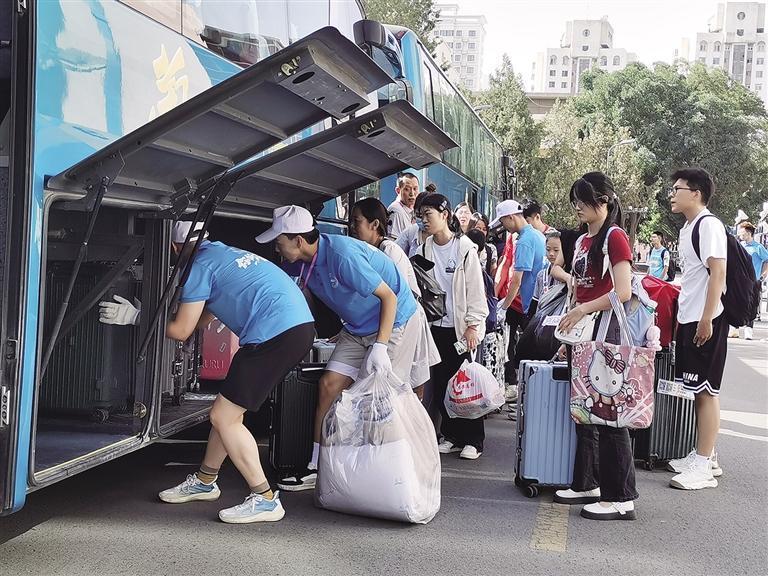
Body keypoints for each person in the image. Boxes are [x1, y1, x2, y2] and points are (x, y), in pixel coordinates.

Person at [99, 221, 315, 524]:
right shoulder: (219, 254)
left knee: (223, 417)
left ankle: (265, 498)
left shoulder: (198, 267)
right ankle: (205, 480)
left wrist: (136, 317)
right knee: (226, 413)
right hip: (292, 328)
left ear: (174, 247)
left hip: (275, 334)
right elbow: (201, 320)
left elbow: (180, 329)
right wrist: (150, 315)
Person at [257, 205, 422, 492]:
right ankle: (316, 465)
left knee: (380, 400)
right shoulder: (298, 260)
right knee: (329, 385)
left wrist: (381, 346)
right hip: (356, 328)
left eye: (279, 241)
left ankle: (388, 472)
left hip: (395, 322)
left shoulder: (342, 256)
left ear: (298, 240)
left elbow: (389, 298)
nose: (276, 248)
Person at [553, 172, 639, 521]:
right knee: (585, 411)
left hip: (605, 333)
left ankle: (620, 496)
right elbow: (581, 288)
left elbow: (623, 290)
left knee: (609, 415)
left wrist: (581, 310)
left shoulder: (614, 237)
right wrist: (569, 331)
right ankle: (587, 482)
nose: (578, 207)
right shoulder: (585, 240)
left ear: (603, 201)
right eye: (575, 200)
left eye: (584, 200)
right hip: (582, 334)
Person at [665, 167, 728, 490]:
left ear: (696, 193)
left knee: (706, 392)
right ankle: (706, 455)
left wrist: (707, 318)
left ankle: (703, 466)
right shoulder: (689, 227)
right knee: (696, 390)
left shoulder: (709, 225)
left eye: (678, 188)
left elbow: (718, 274)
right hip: (690, 318)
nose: (672, 194)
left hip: (707, 319)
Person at [349, 197, 440, 400]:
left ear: (374, 225)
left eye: (357, 221)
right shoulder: (365, 251)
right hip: (392, 320)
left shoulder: (389, 250)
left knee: (400, 382)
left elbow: (396, 295)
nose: (353, 227)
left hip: (404, 319)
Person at [419, 194, 488, 459]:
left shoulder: (464, 249)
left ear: (445, 215)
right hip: (433, 326)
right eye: (421, 215)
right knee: (441, 385)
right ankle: (450, 435)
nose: (424, 220)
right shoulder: (424, 248)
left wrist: (473, 326)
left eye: (429, 214)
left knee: (464, 384)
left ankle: (473, 439)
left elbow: (475, 291)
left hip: (459, 328)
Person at [491, 199, 546, 394]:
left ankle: (522, 391)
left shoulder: (523, 241)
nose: (503, 226)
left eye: (503, 221)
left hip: (525, 303)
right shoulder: (537, 235)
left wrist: (504, 306)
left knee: (521, 350)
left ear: (511, 217)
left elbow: (517, 279)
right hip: (535, 301)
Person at [736, 221, 768, 340]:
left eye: (742, 231)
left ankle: (749, 330)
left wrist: (763, 275)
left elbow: (767, 260)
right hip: (740, 280)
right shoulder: (740, 246)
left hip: (754, 280)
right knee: (737, 303)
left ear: (749, 233)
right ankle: (735, 328)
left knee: (752, 305)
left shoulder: (758, 247)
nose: (739, 234)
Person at [396, 190, 434, 257]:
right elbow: (395, 252)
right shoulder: (411, 231)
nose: (424, 220)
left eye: (427, 215)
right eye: (419, 215)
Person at [387, 172, 419, 239]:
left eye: (415, 189)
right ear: (398, 191)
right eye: (407, 189)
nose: (412, 194)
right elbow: (393, 242)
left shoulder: (414, 209)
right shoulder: (396, 211)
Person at [469, 212, 498, 278]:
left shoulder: (491, 249)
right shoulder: (463, 246)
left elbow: (493, 273)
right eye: (478, 228)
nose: (481, 232)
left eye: (484, 229)